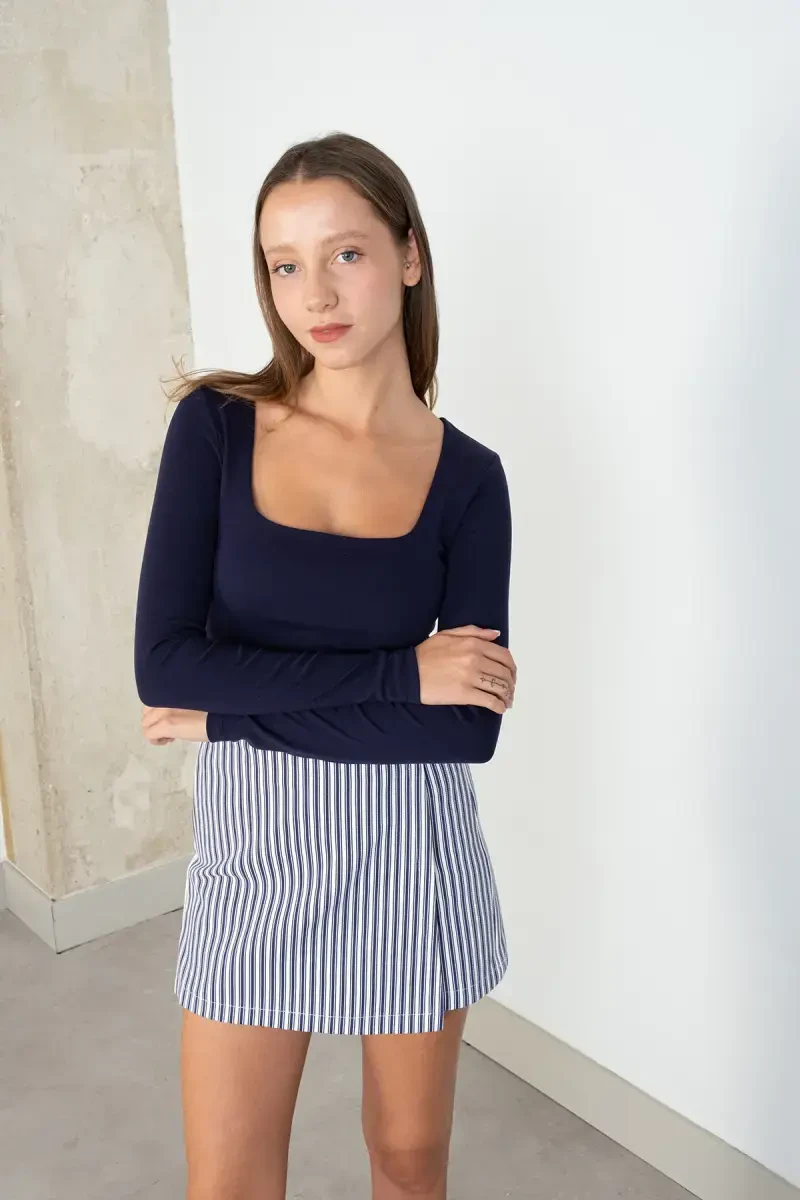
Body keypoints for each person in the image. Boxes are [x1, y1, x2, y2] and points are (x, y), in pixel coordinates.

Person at [133, 130, 516, 1200]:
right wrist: (401, 674)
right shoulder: (215, 430)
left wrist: (231, 712)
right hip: (253, 855)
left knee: (407, 1164)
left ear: (408, 255)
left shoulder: (468, 478)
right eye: (284, 264)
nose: (315, 294)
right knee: (230, 1183)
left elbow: (464, 728)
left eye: (345, 253)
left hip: (411, 853)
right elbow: (166, 666)